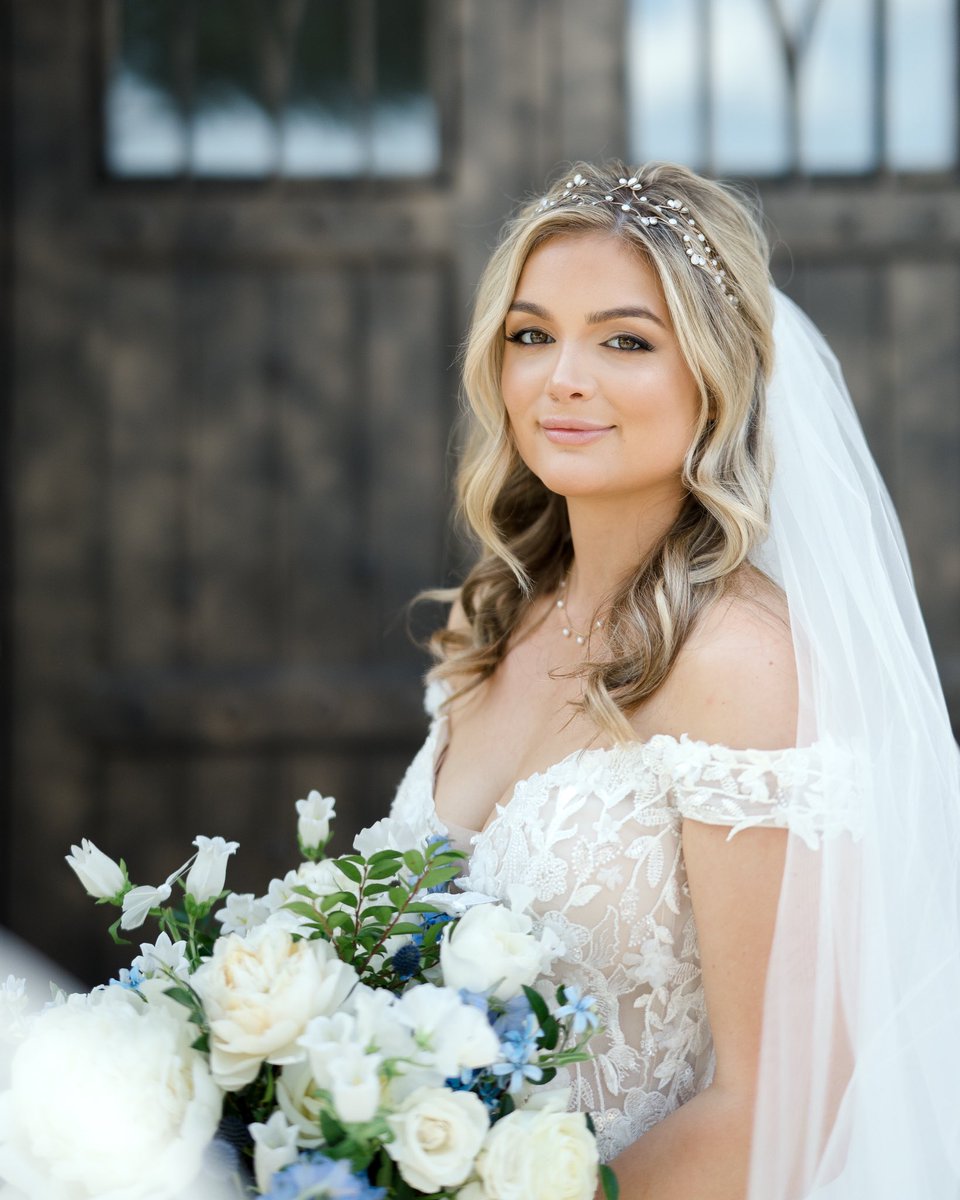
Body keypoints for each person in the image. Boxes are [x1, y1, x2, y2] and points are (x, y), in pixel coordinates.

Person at [388, 162, 960, 1199]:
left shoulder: (740, 667)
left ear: (716, 377)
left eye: (626, 341)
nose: (562, 377)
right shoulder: (491, 620)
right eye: (531, 334)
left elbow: (777, 1101)